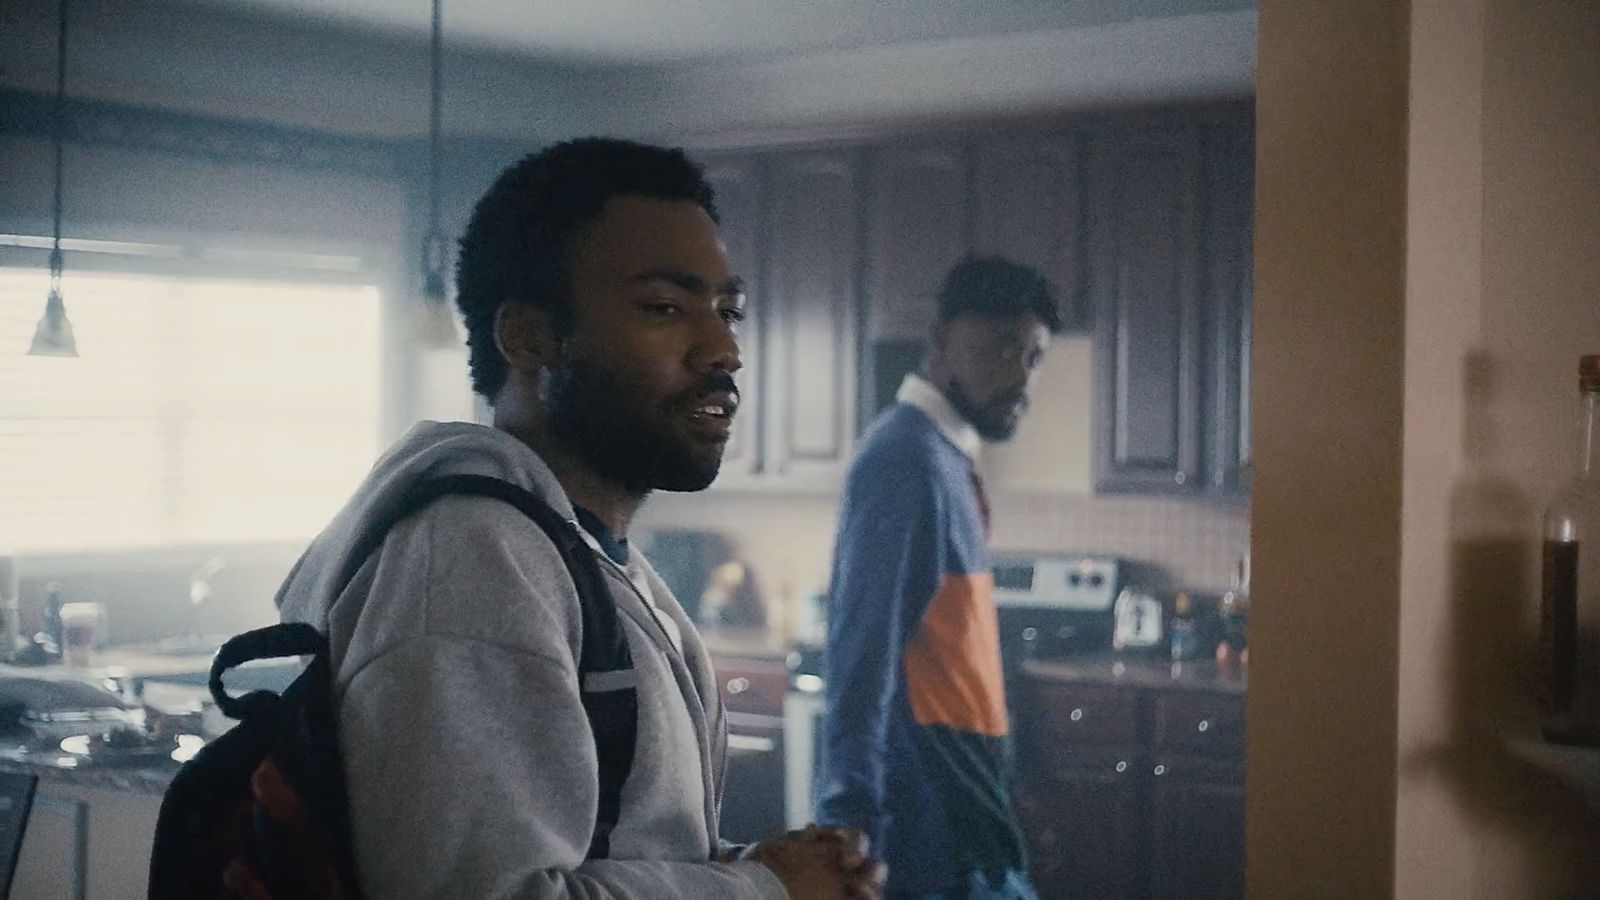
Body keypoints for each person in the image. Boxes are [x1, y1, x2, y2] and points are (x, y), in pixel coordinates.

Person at [276, 138, 884, 900]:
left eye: (729, 311)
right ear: (529, 338)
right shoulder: (471, 562)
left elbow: (616, 851)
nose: (724, 349)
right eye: (665, 308)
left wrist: (751, 868)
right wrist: (765, 892)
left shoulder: (596, 562)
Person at [815, 256, 1062, 899]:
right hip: (929, 835)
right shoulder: (904, 461)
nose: (1020, 377)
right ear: (940, 338)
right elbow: (859, 656)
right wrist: (848, 833)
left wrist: (1008, 790)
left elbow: (955, 666)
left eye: (1032, 356)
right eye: (1001, 348)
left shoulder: (944, 457)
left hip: (973, 817)